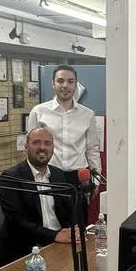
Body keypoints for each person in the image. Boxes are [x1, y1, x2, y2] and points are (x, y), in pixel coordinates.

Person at [26, 65, 101, 221]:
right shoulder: (39, 111)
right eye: (60, 81)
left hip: (78, 178)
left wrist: (95, 180)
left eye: (70, 81)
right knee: (50, 224)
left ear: (75, 85)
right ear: (53, 84)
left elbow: (92, 149)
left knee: (78, 226)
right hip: (48, 177)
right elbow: (31, 149)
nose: (65, 85)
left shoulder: (87, 114)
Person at [0, 126, 74, 267]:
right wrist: (54, 235)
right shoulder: (11, 177)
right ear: (26, 146)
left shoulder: (58, 174)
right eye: (36, 142)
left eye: (47, 143)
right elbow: (17, 221)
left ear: (53, 148)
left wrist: (76, 228)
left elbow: (69, 209)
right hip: (25, 250)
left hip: (57, 244)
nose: (42, 147)